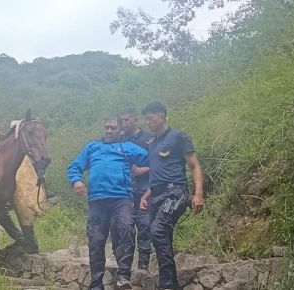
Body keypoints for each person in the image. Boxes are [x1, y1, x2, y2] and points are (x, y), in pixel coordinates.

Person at [67, 117, 149, 290]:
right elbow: (75, 166)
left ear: (120, 130)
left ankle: (124, 277)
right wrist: (76, 181)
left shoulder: (128, 147)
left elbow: (153, 160)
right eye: (107, 127)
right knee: (96, 239)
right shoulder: (92, 147)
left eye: (113, 128)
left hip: (122, 199)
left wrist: (144, 169)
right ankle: (96, 283)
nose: (109, 130)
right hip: (97, 200)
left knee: (126, 229)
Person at [139, 101, 204, 290]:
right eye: (146, 119)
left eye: (150, 118)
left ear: (161, 116)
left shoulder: (179, 137)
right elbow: (159, 172)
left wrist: (198, 194)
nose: (148, 122)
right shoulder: (152, 143)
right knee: (159, 236)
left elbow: (194, 166)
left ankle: (166, 285)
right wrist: (147, 194)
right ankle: (172, 284)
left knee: (158, 230)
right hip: (156, 195)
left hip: (175, 192)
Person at [119, 107, 154, 270]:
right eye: (122, 120)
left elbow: (162, 164)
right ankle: (125, 264)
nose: (123, 123)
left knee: (144, 225)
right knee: (125, 227)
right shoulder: (120, 140)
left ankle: (144, 263)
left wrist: (144, 169)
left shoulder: (149, 138)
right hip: (124, 192)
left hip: (144, 190)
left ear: (135, 120)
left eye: (126, 120)